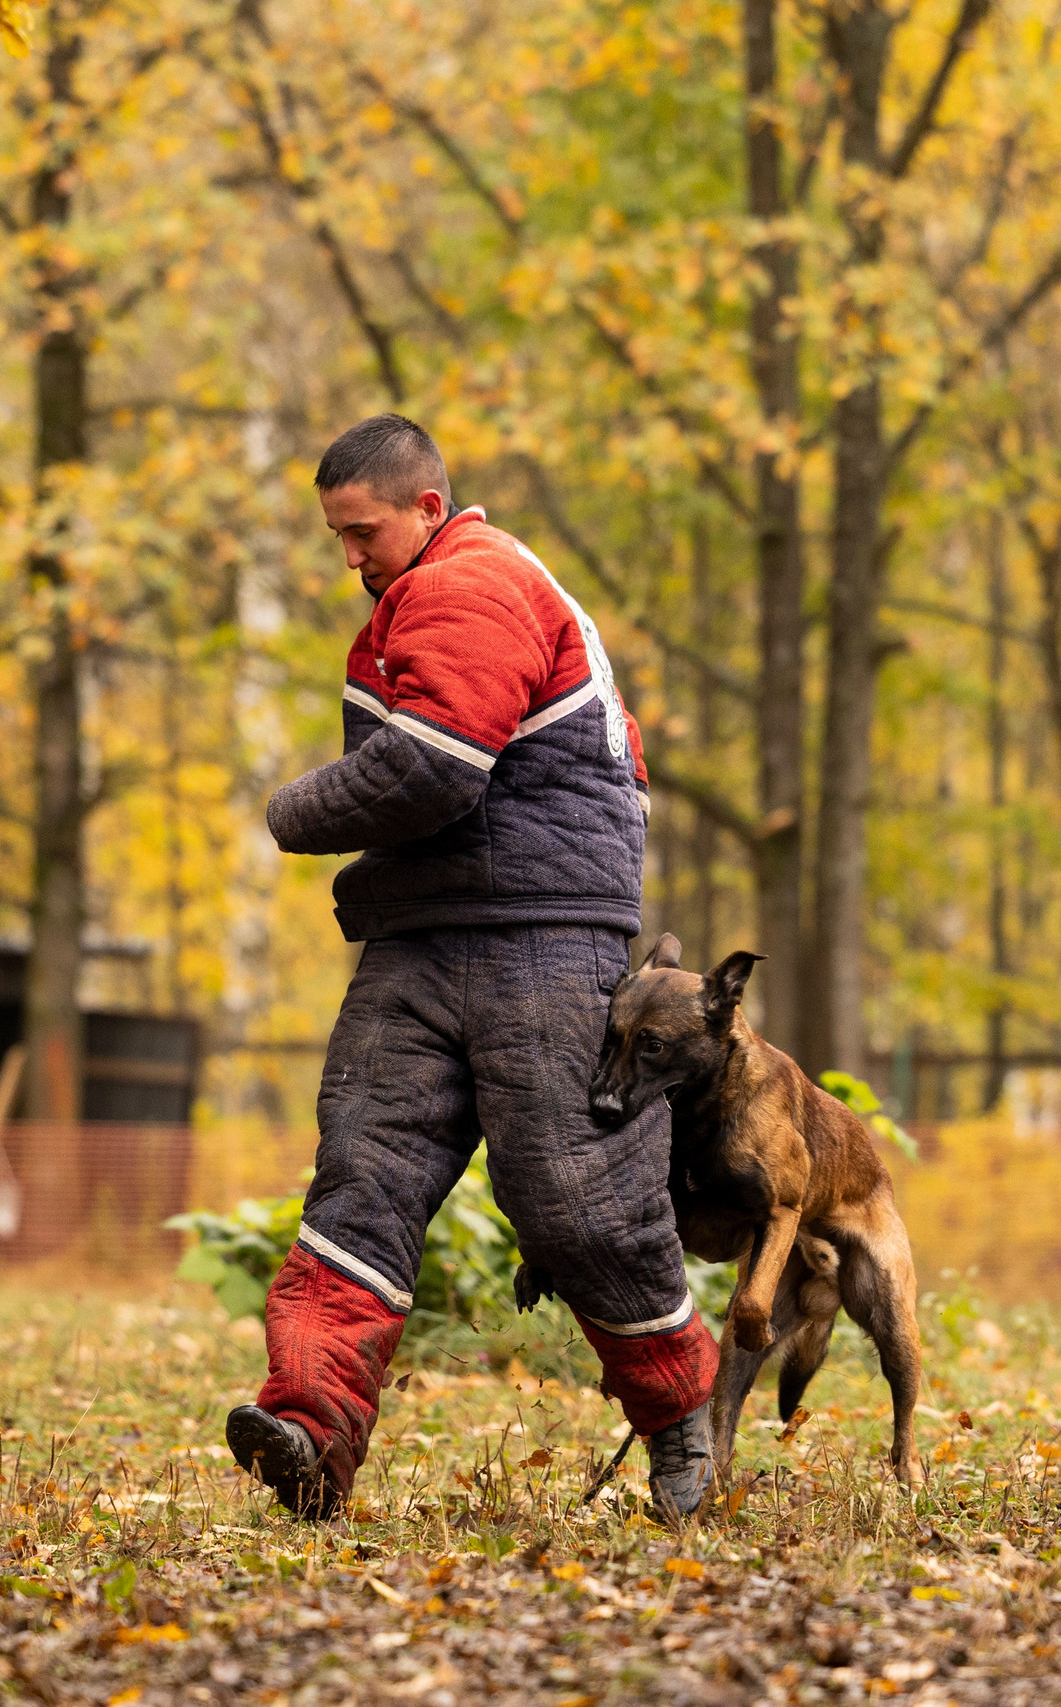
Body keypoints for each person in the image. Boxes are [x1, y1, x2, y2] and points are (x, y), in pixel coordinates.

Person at [222, 414, 718, 1522]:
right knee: (365, 1175)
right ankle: (307, 1431)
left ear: (428, 509)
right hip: (425, 931)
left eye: (362, 532)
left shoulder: (474, 581)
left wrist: (289, 811)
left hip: (538, 926)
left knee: (575, 1200)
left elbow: (433, 767)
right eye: (337, 537)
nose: (349, 556)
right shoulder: (416, 594)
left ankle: (684, 1409)